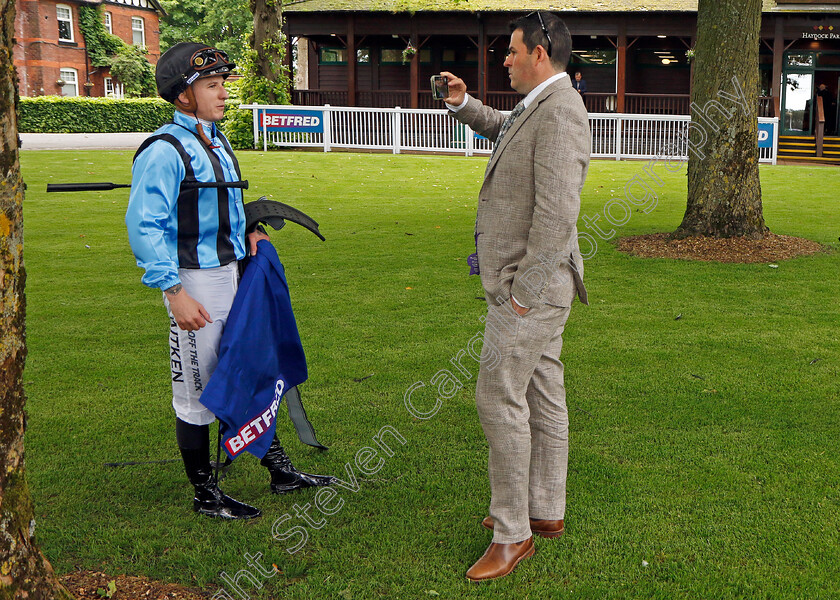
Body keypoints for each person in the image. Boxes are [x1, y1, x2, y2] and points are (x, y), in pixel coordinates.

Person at [126, 42, 334, 521]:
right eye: (211, 86)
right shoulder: (163, 151)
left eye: (223, 84)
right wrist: (173, 292)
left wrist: (249, 228)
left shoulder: (216, 138)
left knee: (253, 368)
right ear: (183, 96)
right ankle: (206, 495)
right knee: (197, 395)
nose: (223, 94)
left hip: (235, 275)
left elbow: (225, 203)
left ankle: (279, 470)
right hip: (193, 284)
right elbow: (145, 226)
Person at [440, 11, 590, 581]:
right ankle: (546, 510)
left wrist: (522, 293)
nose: (504, 59)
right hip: (539, 288)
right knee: (544, 392)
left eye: (511, 51)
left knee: (496, 397)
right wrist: (462, 103)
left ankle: (513, 532)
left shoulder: (561, 113)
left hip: (531, 290)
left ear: (541, 54)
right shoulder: (543, 104)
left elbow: (557, 213)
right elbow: (506, 126)